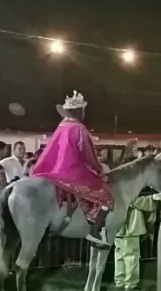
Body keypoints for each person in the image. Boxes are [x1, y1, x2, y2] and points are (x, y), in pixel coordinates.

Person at [30, 91, 113, 246]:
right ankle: (95, 230)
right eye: (83, 110)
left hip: (52, 169)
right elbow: (88, 154)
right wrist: (99, 170)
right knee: (106, 195)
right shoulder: (80, 129)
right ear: (79, 111)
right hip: (71, 172)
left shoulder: (62, 126)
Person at [113, 188, 161, 290]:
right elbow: (134, 201)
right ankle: (130, 282)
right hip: (129, 227)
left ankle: (120, 280)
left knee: (119, 254)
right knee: (131, 256)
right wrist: (152, 198)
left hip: (118, 226)